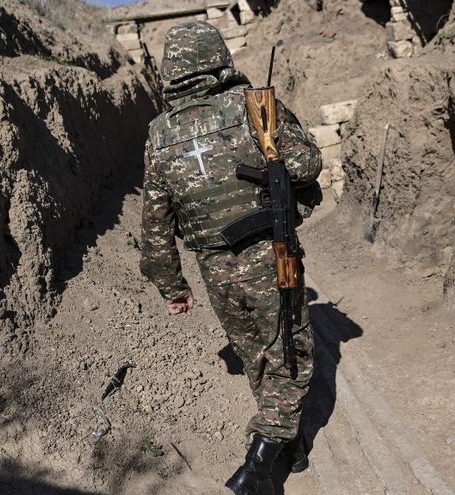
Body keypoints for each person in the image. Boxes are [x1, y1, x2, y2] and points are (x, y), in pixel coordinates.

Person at [139, 20, 322, 495]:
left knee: (256, 355)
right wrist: (276, 147)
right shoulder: (251, 106)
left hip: (213, 268)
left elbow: (155, 224)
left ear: (171, 70)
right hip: (270, 253)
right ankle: (259, 462)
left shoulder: (158, 134)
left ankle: (291, 447)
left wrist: (172, 285)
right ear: (218, 58)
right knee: (291, 351)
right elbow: (307, 165)